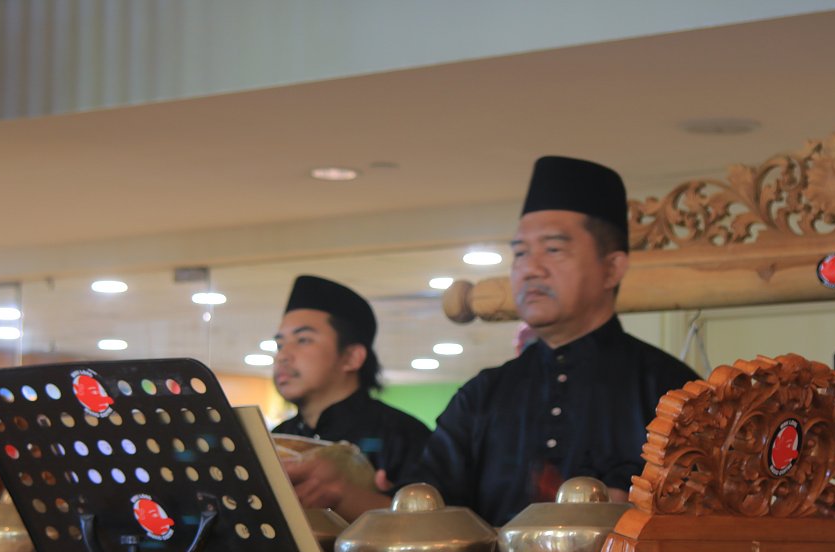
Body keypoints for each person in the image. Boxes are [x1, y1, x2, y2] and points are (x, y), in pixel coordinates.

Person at [288, 156, 698, 526]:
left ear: (612, 268)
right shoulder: (483, 395)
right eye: (520, 253)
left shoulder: (672, 390)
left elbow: (706, 527)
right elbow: (425, 515)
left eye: (553, 250)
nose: (530, 269)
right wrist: (340, 491)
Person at [272, 275, 430, 504]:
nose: (282, 356)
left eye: (303, 340)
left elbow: (427, 526)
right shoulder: (276, 439)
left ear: (352, 357)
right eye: (279, 344)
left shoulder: (402, 435)